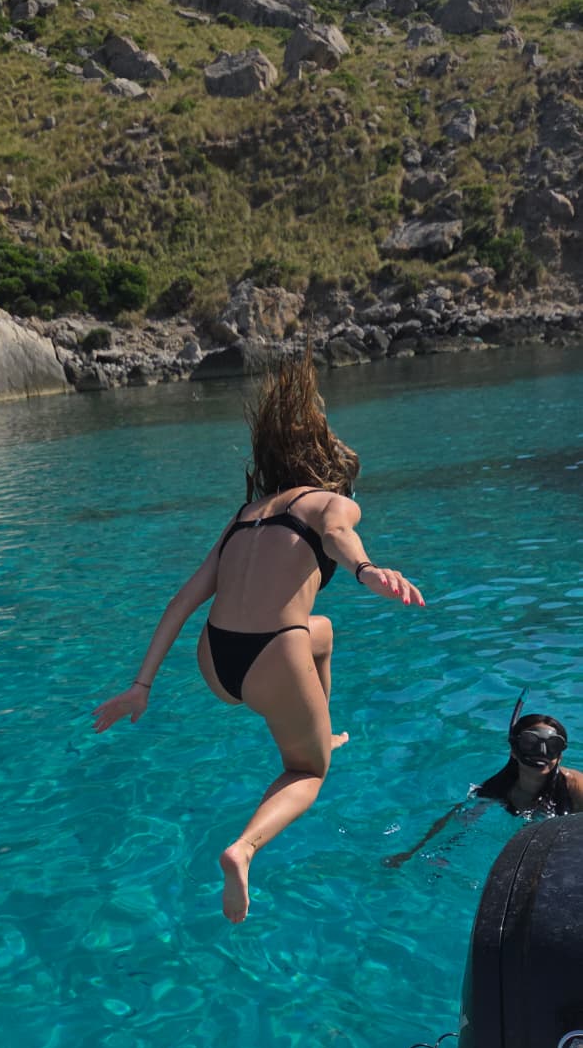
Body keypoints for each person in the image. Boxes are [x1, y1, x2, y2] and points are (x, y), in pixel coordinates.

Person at [93, 348, 425, 922]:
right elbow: (340, 535)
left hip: (216, 662)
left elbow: (181, 602)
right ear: (326, 463)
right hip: (274, 658)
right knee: (308, 772)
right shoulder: (331, 502)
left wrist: (140, 687)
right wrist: (367, 571)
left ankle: (322, 727)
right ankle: (244, 849)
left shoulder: (244, 515)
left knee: (323, 630)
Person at [384, 695, 583, 867]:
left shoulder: (575, 787)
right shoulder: (496, 789)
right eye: (530, 743)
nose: (542, 753)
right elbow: (454, 823)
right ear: (514, 751)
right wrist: (413, 853)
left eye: (553, 746)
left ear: (560, 756)